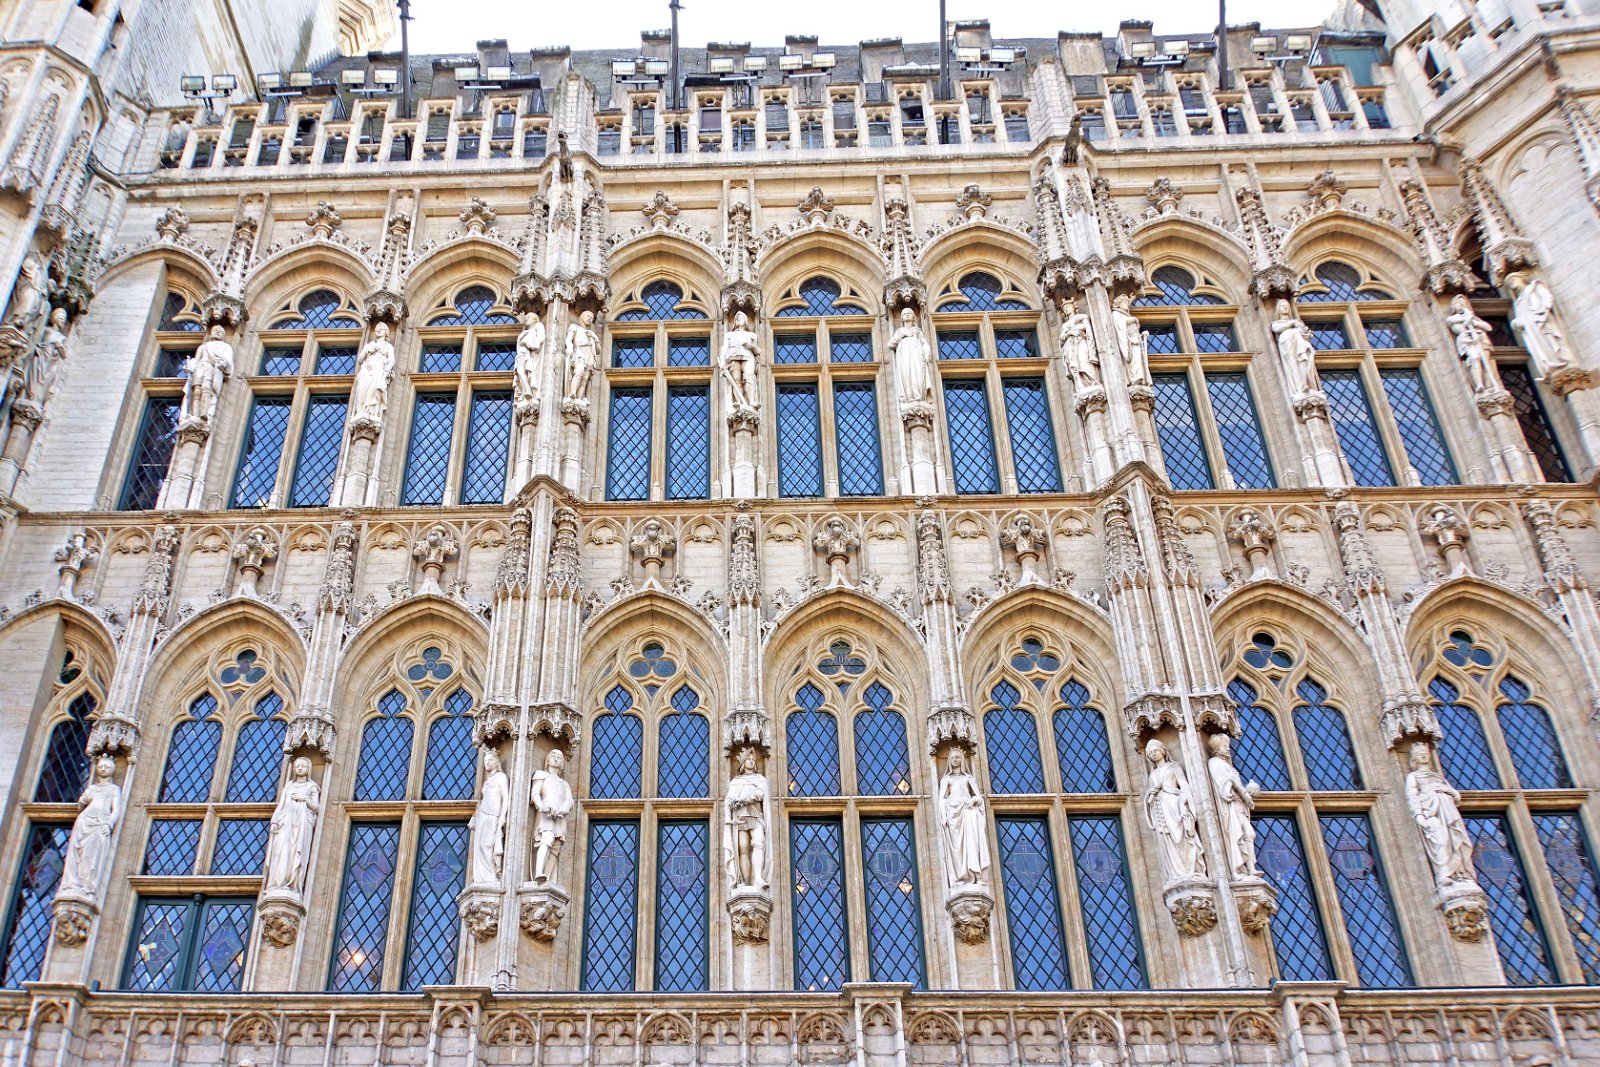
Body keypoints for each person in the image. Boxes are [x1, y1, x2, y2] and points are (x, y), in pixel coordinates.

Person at [1405, 742, 1475, 888]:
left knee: (1456, 840)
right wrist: (1419, 815)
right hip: (1431, 814)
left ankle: (1460, 873)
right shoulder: (1414, 776)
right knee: (1442, 841)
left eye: (1425, 752)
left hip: (1448, 812)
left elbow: (1456, 796)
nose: (1423, 755)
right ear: (1414, 759)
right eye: (1419, 754)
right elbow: (1412, 796)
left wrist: (1442, 789)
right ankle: (1444, 874)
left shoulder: (1438, 777)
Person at [59, 756, 120, 902]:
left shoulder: (113, 789)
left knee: (91, 859)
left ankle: (87, 887)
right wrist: (83, 800)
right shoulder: (92, 788)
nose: (103, 769)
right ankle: (73, 885)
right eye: (101, 766)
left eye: (106, 766)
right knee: (78, 855)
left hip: (100, 824)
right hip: (84, 822)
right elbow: (81, 807)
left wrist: (109, 824)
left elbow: (116, 810)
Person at [1143, 738, 1205, 880]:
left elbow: (1183, 785)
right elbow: (1150, 793)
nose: (1153, 754)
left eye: (1155, 751)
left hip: (1173, 803)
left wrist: (1184, 799)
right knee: (1167, 839)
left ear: (1163, 751)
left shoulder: (1173, 767)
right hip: (1159, 807)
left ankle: (1189, 869)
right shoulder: (1153, 774)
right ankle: (1176, 873)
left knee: (1181, 835)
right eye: (1150, 752)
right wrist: (1151, 795)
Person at [263, 757, 321, 896]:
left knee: (297, 852)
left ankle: (293, 884)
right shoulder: (288, 786)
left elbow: (317, 807)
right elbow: (281, 806)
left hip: (301, 823)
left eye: (303, 766)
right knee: (282, 851)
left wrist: (305, 799)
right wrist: (274, 821)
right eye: (297, 766)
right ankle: (278, 883)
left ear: (309, 769)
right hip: (285, 822)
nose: (300, 768)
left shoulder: (312, 787)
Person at [938, 749, 990, 885]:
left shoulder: (968, 778)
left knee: (971, 843)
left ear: (962, 759)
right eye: (952, 757)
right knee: (957, 847)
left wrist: (973, 800)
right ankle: (960, 876)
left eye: (957, 757)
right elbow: (941, 799)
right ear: (949, 760)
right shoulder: (946, 779)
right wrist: (943, 816)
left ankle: (976, 875)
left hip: (968, 811)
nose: (955, 759)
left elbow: (978, 797)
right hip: (953, 813)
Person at [723, 747, 770, 890]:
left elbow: (759, 794)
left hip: (755, 815)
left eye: (752, 759)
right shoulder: (735, 781)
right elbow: (729, 798)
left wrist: (743, 800)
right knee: (743, 848)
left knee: (759, 843)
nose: (751, 761)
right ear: (743, 763)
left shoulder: (760, 779)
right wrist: (732, 802)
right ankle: (745, 880)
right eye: (748, 759)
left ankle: (758, 878)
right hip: (740, 817)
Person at [530, 748, 574, 882]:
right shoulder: (541, 775)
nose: (556, 759)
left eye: (559, 757)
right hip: (546, 812)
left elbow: (569, 800)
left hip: (560, 815)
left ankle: (547, 879)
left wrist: (562, 810)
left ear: (562, 763)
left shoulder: (564, 783)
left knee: (556, 847)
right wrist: (542, 806)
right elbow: (535, 793)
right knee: (546, 839)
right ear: (547, 759)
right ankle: (539, 872)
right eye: (553, 756)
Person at [468, 750, 511, 885]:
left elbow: (506, 798)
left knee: (488, 845)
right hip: (483, 815)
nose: (487, 763)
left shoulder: (501, 777)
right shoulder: (488, 780)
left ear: (496, 761)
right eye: (485, 760)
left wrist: (502, 817)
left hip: (493, 815)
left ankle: (491, 876)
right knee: (481, 847)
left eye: (490, 760)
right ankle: (483, 878)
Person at [179, 324, 234, 424]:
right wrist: (190, 367)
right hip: (200, 368)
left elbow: (229, 361)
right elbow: (196, 359)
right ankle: (195, 415)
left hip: (210, 369)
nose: (218, 332)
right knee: (197, 391)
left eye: (221, 331)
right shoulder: (203, 346)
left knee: (206, 388)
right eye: (215, 330)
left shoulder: (226, 347)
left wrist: (223, 362)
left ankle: (204, 413)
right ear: (211, 333)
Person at [1446, 294, 1499, 392]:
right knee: (1475, 358)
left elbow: (1488, 328)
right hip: (1467, 340)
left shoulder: (1474, 317)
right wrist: (1468, 317)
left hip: (1481, 339)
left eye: (1463, 303)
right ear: (1454, 306)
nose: (1461, 305)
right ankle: (1479, 384)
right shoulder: (1453, 318)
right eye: (1458, 304)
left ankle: (1490, 387)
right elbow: (1456, 325)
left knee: (1486, 362)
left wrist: (1475, 322)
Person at [1270, 299, 1321, 396]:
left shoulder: (1297, 322)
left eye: (1287, 305)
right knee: (1292, 365)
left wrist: (1306, 333)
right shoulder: (1278, 323)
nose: (1285, 307)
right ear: (1277, 309)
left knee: (1303, 363)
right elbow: (1276, 328)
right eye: (1282, 306)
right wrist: (1291, 324)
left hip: (1300, 346)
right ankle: (1298, 387)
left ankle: (1304, 384)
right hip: (1288, 347)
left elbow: (1303, 332)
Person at [351, 322, 396, 421]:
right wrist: (367, 350)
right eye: (376, 329)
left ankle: (371, 412)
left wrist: (387, 370)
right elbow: (359, 360)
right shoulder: (369, 345)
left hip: (379, 370)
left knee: (374, 390)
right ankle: (361, 411)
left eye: (381, 329)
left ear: (386, 333)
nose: (378, 330)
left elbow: (392, 360)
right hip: (366, 370)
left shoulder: (388, 346)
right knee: (362, 390)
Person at [719, 311, 762, 413]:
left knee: (749, 377)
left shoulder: (751, 335)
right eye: (736, 318)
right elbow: (724, 348)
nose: (738, 318)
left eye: (741, 317)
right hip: (733, 356)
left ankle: (751, 401)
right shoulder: (729, 334)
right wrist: (722, 361)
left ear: (745, 320)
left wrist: (750, 346)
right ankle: (738, 401)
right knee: (736, 379)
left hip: (747, 355)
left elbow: (758, 351)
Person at [889, 307, 932, 404]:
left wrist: (926, 353)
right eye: (904, 314)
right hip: (904, 356)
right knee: (906, 373)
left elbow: (924, 343)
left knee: (918, 373)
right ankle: (909, 396)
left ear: (913, 317)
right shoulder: (899, 331)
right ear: (901, 318)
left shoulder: (917, 331)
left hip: (917, 355)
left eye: (909, 313)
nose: (907, 315)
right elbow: (891, 344)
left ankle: (918, 396)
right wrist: (901, 335)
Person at [1058, 297, 1099, 390]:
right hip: (1070, 346)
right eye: (1064, 308)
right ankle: (1080, 385)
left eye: (1068, 306)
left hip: (1081, 342)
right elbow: (1061, 339)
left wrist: (1073, 330)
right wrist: (1069, 333)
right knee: (1075, 366)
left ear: (1074, 306)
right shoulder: (1065, 325)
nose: (1066, 309)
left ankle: (1092, 382)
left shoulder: (1081, 317)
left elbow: (1087, 328)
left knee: (1083, 361)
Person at [564, 310, 599, 402]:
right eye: (587, 316)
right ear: (582, 317)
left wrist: (595, 338)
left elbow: (598, 351)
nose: (589, 318)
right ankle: (572, 393)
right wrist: (569, 347)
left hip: (589, 354)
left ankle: (578, 398)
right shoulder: (574, 327)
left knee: (585, 378)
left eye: (591, 318)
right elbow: (568, 339)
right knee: (579, 371)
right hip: (579, 351)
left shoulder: (590, 334)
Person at [514, 312, 545, 409]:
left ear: (536, 319)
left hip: (531, 356)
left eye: (529, 317)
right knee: (520, 371)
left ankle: (529, 392)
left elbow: (540, 340)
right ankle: (526, 392)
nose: (526, 319)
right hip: (522, 355)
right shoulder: (525, 332)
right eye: (526, 317)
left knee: (524, 371)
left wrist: (527, 343)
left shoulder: (538, 326)